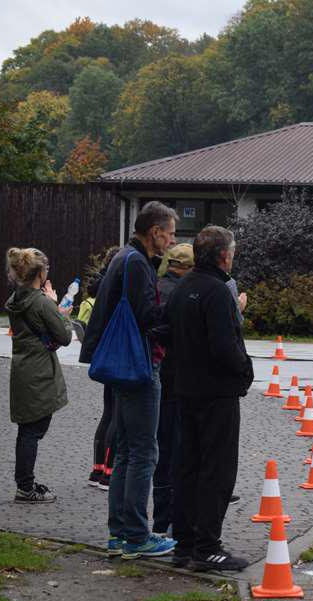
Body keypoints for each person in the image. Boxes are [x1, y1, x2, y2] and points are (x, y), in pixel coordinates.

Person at [80, 201, 178, 559]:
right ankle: (137, 535)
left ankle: (119, 533)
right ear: (155, 232)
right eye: (170, 233)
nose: (172, 241)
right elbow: (147, 316)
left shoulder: (123, 257)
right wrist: (177, 312)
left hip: (121, 366)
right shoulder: (137, 263)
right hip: (138, 366)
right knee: (144, 452)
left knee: (125, 449)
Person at [166, 226, 254, 571]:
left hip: (185, 388)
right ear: (224, 255)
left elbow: (168, 330)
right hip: (217, 392)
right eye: (232, 252)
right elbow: (224, 344)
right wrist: (244, 370)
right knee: (217, 470)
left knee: (188, 467)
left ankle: (184, 543)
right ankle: (207, 546)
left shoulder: (184, 286)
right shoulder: (217, 291)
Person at [4, 247, 73, 503]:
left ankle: (25, 483)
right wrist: (59, 311)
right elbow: (64, 336)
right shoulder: (42, 302)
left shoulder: (16, 299)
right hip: (40, 372)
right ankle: (25, 488)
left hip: (23, 369)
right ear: (41, 273)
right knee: (32, 431)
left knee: (28, 429)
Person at [152, 243, 193, 536]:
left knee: (161, 448)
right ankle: (170, 519)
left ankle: (160, 517)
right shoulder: (182, 293)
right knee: (175, 448)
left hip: (158, 372)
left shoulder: (157, 287)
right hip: (176, 375)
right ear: (187, 268)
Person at [85, 246, 120, 490]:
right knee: (117, 413)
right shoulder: (119, 286)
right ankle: (109, 472)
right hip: (118, 353)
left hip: (105, 352)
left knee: (108, 411)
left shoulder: (102, 286)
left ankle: (98, 469)